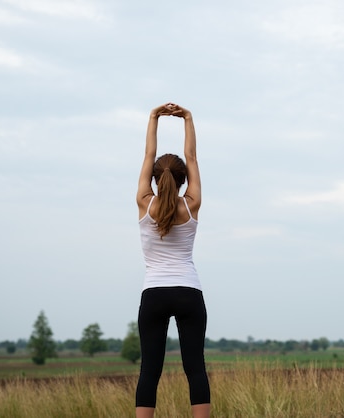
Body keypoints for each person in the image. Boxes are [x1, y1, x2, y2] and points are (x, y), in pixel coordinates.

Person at [135, 103, 210, 418]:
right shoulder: (192, 205)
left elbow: (148, 156)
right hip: (188, 292)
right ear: (181, 180)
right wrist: (188, 118)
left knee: (150, 370)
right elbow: (191, 157)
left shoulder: (144, 202)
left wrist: (153, 117)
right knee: (195, 368)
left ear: (154, 178)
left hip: (153, 294)